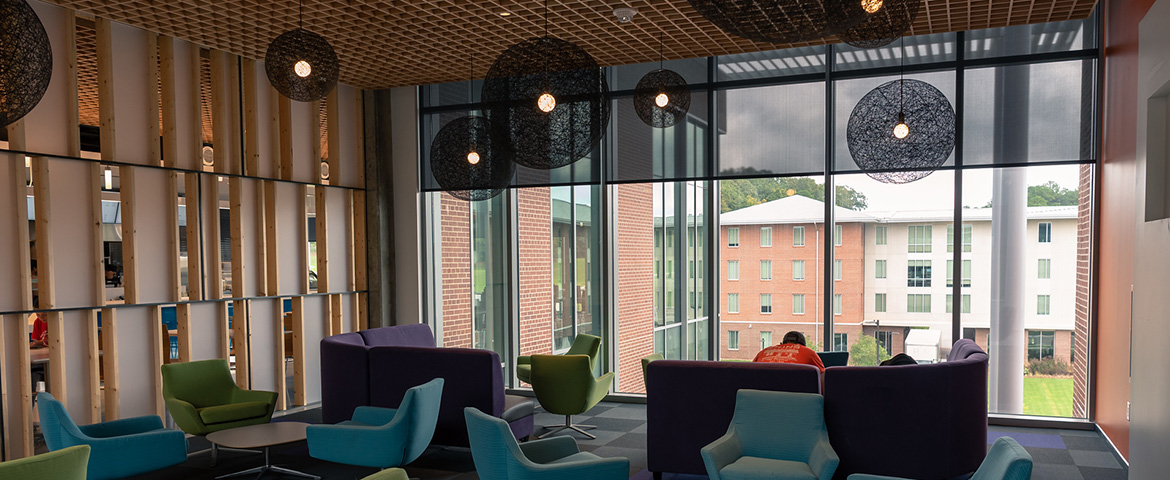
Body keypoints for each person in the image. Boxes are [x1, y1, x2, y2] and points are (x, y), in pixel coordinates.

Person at [753, 331, 826, 372]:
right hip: (796, 395)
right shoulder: (809, 352)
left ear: (781, 344)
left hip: (761, 395)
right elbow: (822, 377)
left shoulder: (764, 351)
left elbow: (750, 372)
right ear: (803, 346)